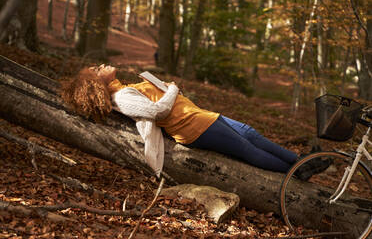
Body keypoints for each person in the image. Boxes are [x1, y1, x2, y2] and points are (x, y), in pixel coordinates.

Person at [60, 65, 329, 179]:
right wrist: (172, 89)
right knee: (249, 149)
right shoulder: (121, 97)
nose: (100, 66)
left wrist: (165, 88)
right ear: (98, 83)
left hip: (201, 116)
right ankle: (296, 172)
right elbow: (158, 112)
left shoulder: (125, 87)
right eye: (96, 70)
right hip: (192, 127)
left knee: (252, 133)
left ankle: (302, 161)